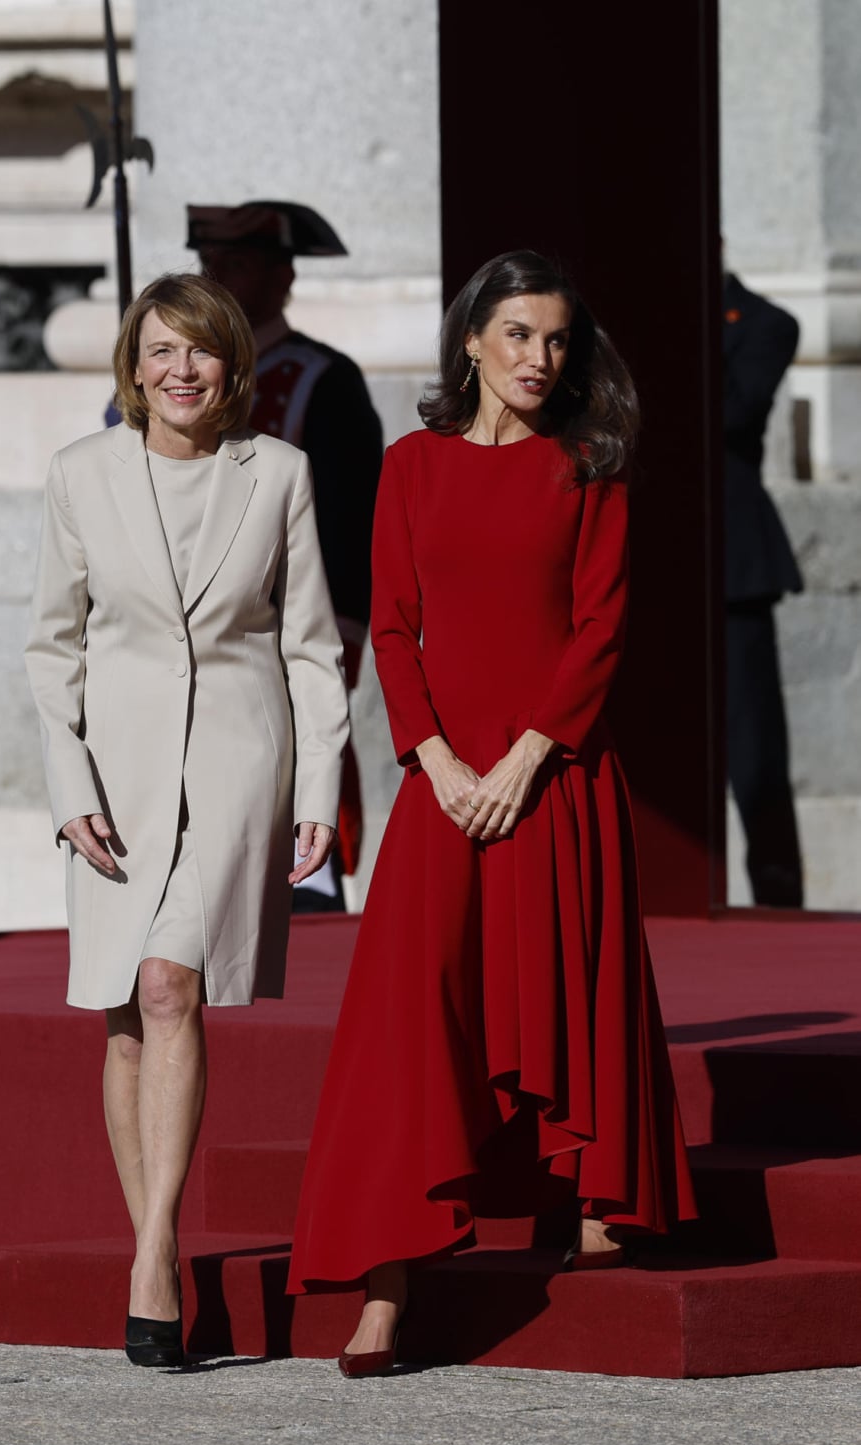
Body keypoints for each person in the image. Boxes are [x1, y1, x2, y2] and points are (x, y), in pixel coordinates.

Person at [287, 250, 697, 1375]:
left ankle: (599, 1206)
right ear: (470, 340)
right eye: (516, 334)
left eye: (556, 339)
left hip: (553, 778)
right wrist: (431, 755)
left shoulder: (587, 464)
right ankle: (383, 1290)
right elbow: (390, 626)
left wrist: (525, 755)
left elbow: (597, 629)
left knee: (568, 989)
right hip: (440, 785)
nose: (537, 358)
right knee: (408, 1023)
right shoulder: (411, 464)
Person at [25, 272, 348, 1368]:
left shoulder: (279, 477)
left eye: (199, 351)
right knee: (122, 1012)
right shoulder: (79, 475)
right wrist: (68, 790)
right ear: (131, 367)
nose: (179, 370)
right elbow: (51, 647)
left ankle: (153, 1258)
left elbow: (310, 648)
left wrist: (319, 795)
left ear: (231, 367)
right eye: (159, 350)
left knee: (170, 986)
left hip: (232, 770)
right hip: (111, 782)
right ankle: (151, 1238)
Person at [186, 200, 383, 903]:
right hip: (183, 630)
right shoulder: (169, 379)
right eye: (209, 265)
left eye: (235, 264)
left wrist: (344, 634)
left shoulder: (322, 379)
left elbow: (352, 521)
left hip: (279, 629)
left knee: (290, 790)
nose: (218, 280)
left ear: (282, 277)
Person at [723, 271, 804, 907]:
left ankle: (779, 903)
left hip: (735, 572)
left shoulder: (764, 323)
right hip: (647, 567)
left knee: (756, 761)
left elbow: (736, 409)